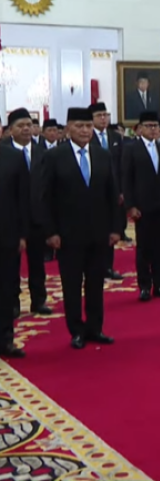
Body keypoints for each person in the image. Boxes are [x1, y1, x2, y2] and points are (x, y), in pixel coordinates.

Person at [35, 107, 123, 349]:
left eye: (88, 126)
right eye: (79, 126)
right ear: (68, 128)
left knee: (95, 283)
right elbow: (45, 197)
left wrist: (116, 228)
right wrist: (50, 232)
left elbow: (112, 194)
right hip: (67, 235)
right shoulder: (54, 157)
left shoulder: (102, 155)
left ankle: (95, 328)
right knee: (71, 285)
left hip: (99, 233)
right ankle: (76, 330)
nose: (85, 131)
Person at [122, 111, 160, 302]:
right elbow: (126, 180)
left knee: (159, 247)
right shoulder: (131, 149)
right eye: (149, 126)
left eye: (156, 126)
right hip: (142, 206)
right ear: (139, 129)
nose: (153, 129)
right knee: (144, 248)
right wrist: (130, 206)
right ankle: (144, 286)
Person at [5, 108, 50, 315]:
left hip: (38, 218)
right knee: (11, 265)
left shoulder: (44, 154)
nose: (25, 129)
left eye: (28, 125)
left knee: (37, 263)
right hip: (11, 219)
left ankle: (38, 300)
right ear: (10, 130)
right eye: (20, 126)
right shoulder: (4, 153)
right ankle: (12, 303)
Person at [0, 126, 29, 358]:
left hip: (7, 234)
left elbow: (23, 198)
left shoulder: (13, 157)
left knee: (7, 288)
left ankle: (5, 339)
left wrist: (22, 234)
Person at [88, 102, 125, 277]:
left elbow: (122, 166)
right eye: (99, 115)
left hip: (113, 191)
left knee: (111, 228)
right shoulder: (87, 137)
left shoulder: (116, 137)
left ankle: (108, 267)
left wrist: (121, 190)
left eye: (105, 115)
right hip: (93, 191)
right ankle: (93, 266)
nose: (103, 118)